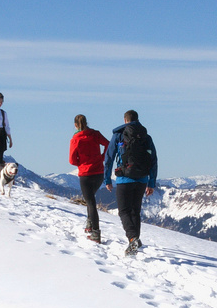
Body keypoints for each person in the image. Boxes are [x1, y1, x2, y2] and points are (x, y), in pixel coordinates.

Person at [103, 109, 158, 255]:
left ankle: (133, 239)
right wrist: (151, 182)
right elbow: (153, 160)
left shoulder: (119, 135)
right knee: (135, 211)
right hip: (141, 179)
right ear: (137, 119)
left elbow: (109, 158)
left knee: (123, 211)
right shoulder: (147, 137)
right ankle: (135, 242)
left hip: (124, 178)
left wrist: (107, 179)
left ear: (125, 120)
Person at [67, 114, 110, 243]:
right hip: (98, 172)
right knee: (90, 199)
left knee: (90, 202)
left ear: (75, 125)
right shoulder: (95, 134)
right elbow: (108, 144)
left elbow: (71, 160)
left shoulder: (75, 139)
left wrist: (80, 162)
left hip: (85, 174)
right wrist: (101, 158)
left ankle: (96, 233)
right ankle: (89, 225)